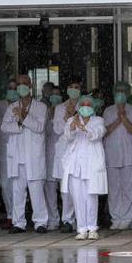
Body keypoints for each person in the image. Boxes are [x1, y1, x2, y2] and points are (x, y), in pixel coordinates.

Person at [1, 75, 49, 234]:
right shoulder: (11, 107)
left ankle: (40, 222)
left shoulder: (41, 107)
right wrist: (20, 123)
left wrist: (22, 115)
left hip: (33, 156)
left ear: (30, 86)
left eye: (24, 84)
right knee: (17, 191)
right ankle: (18, 223)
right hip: (17, 156)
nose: (21, 87)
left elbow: (39, 127)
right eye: (18, 85)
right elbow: (4, 127)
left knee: (36, 191)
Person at [61, 96, 107, 240]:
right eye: (83, 105)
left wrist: (84, 128)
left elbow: (97, 134)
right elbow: (67, 137)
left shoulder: (98, 120)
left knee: (91, 197)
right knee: (78, 198)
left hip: (91, 165)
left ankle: (92, 228)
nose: (85, 107)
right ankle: (81, 228)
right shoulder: (71, 120)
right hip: (75, 166)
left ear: (93, 108)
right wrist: (73, 127)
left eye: (88, 105)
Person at [103, 82, 132, 230]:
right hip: (112, 155)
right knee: (114, 189)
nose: (120, 93)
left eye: (123, 91)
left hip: (130, 155)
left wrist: (124, 117)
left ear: (128, 93)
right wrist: (119, 118)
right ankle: (116, 217)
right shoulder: (107, 111)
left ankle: (126, 218)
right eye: (118, 91)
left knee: (128, 188)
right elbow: (105, 131)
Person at [52, 80, 83, 233]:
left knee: (78, 187)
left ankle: (80, 219)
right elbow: (57, 129)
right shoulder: (59, 108)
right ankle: (67, 220)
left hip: (78, 150)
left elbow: (83, 128)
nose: (73, 90)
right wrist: (67, 116)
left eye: (76, 87)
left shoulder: (85, 106)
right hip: (63, 151)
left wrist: (74, 115)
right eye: (70, 87)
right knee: (65, 190)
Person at [0, 79, 19, 229]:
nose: (12, 91)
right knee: (4, 184)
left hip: (19, 148)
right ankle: (10, 214)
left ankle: (18, 216)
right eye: (10, 88)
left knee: (18, 183)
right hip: (3, 149)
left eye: (15, 88)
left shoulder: (22, 106)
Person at [42, 81, 63, 230]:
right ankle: (53, 219)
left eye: (57, 95)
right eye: (52, 95)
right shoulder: (44, 111)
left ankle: (69, 219)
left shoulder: (66, 110)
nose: (54, 98)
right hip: (49, 153)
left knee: (66, 189)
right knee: (50, 188)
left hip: (64, 153)